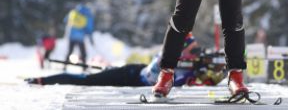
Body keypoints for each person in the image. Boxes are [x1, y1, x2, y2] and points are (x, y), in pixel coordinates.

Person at [25, 33, 225, 87]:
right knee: (86, 79)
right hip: (131, 75)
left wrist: (205, 76)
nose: (196, 52)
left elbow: (203, 82)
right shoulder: (167, 57)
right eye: (193, 49)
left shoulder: (192, 63)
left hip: (137, 73)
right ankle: (43, 80)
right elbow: (152, 76)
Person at [64, 4, 94, 70]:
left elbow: (65, 20)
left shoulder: (74, 13)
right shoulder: (87, 16)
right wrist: (91, 38)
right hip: (80, 38)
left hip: (71, 37)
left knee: (69, 52)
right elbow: (89, 29)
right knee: (83, 53)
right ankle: (84, 68)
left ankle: (64, 66)